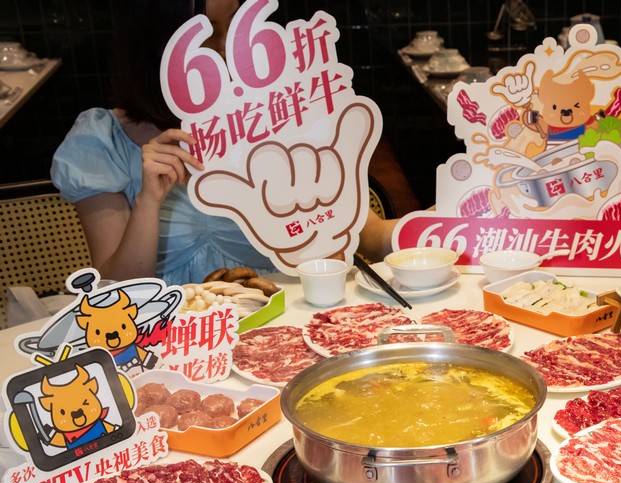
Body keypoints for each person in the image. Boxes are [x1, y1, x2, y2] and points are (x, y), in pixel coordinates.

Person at [51, 0, 395, 286]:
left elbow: (368, 232)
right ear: (156, 41)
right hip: (173, 335)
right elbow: (116, 291)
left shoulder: (282, 114)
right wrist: (147, 202)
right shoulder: (103, 141)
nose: (229, 48)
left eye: (236, 23)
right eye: (209, 33)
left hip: (282, 323)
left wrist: (421, 231)